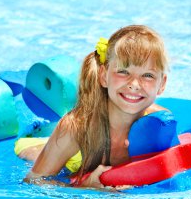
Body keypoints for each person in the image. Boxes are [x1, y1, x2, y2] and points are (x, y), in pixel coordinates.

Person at [18, 25, 169, 188]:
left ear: (162, 84)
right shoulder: (75, 128)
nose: (134, 84)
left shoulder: (159, 122)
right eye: (123, 72)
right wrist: (85, 187)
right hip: (64, 154)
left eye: (148, 75)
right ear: (104, 76)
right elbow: (33, 180)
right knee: (34, 152)